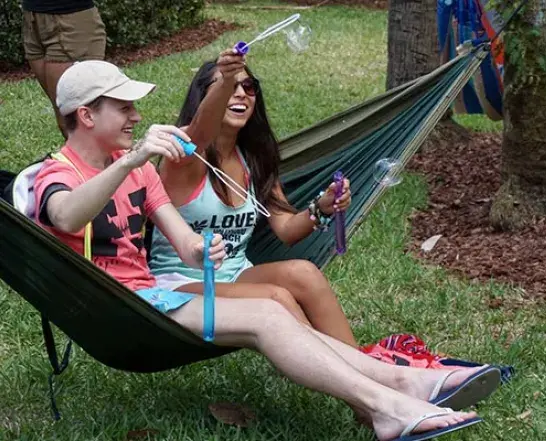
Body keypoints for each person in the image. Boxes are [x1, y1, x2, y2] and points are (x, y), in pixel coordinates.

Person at [33, 58, 494, 441]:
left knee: (276, 306)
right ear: (87, 116)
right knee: (271, 310)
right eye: (123, 108)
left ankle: (400, 385)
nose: (135, 116)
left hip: (152, 296)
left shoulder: (144, 173)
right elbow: (67, 217)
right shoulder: (57, 175)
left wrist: (203, 249)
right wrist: (134, 159)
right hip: (111, 305)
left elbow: (185, 243)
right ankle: (389, 397)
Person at [149, 50, 357, 347]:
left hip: (236, 276)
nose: (241, 94)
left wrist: (320, 208)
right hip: (181, 284)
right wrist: (228, 76)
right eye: (228, 85)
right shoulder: (184, 158)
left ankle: (364, 367)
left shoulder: (253, 159)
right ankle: (356, 381)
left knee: (305, 273)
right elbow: (199, 133)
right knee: (276, 297)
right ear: (204, 98)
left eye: (248, 87)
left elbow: (286, 230)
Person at [22, 0, 106, 138]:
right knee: (66, 120)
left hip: (70, 19)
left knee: (78, 121)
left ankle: (120, 159)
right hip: (32, 18)